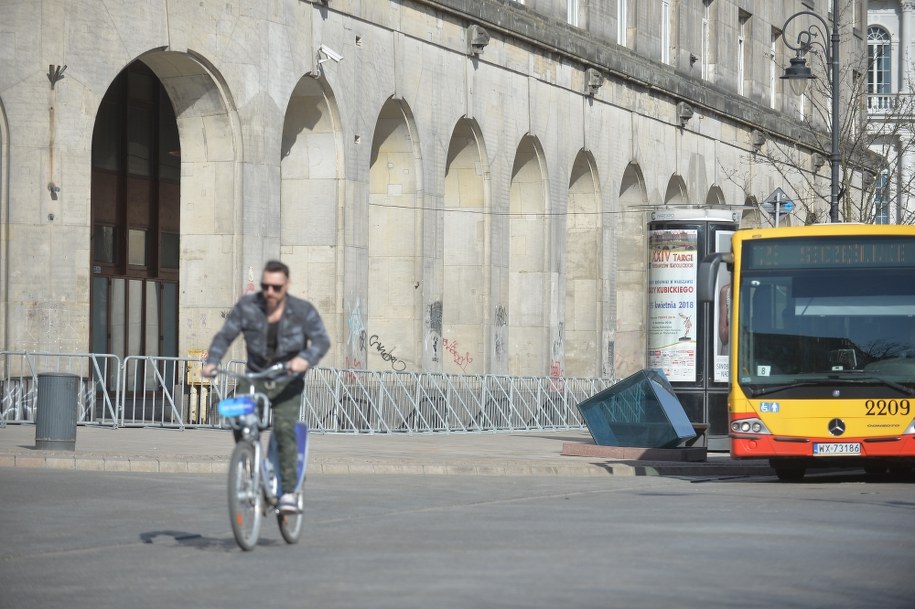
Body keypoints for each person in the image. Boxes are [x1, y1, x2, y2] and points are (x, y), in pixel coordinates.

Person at [203, 260, 330, 512]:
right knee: (239, 420)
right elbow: (226, 334)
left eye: (276, 287)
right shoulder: (248, 307)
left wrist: (304, 359)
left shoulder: (302, 310)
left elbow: (321, 341)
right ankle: (248, 461)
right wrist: (212, 361)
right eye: (265, 286)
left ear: (287, 285)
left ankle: (288, 493)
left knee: (283, 428)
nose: (270, 292)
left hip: (287, 381)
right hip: (255, 378)